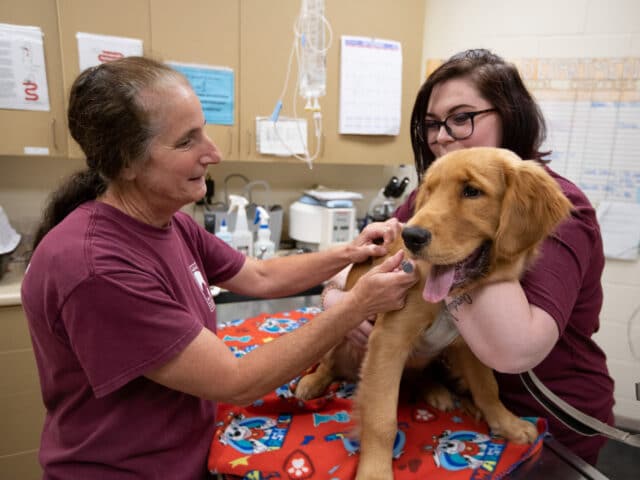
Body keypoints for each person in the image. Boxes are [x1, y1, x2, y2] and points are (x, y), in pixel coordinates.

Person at [20, 56, 419, 480]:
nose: (214, 152)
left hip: (190, 455)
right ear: (126, 162)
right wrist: (357, 305)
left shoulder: (168, 222)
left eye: (204, 130)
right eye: (186, 141)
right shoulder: (97, 268)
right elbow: (236, 380)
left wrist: (348, 253)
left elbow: (260, 276)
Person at [324, 48, 615, 466]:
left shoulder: (556, 208)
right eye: (431, 124)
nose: (441, 136)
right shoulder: (435, 193)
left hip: (553, 422)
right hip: (458, 413)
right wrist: (340, 302)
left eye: (461, 118)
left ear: (511, 115)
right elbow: (363, 261)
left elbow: (512, 350)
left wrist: (451, 266)